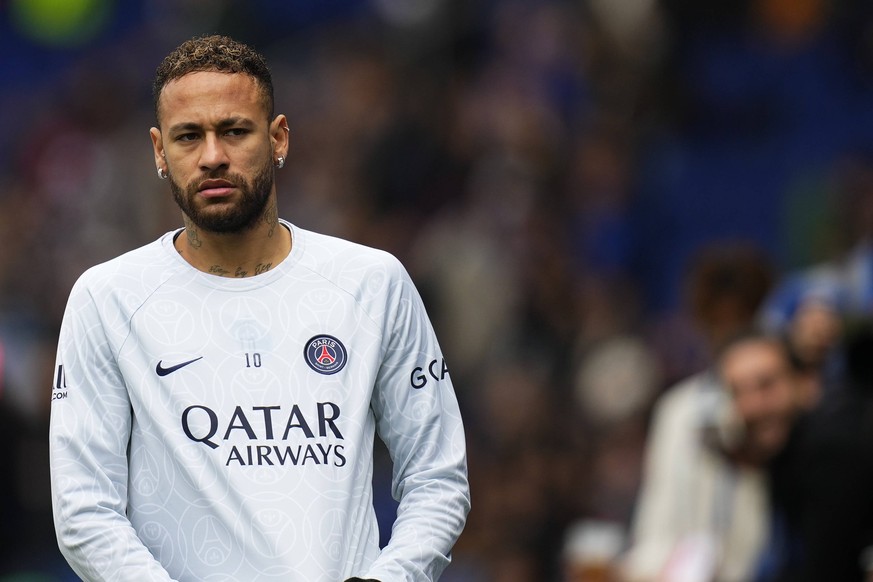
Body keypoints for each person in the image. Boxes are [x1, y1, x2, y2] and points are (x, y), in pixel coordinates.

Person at [48, 35, 470, 582]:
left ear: (278, 138)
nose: (212, 156)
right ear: (159, 152)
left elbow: (437, 478)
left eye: (234, 130)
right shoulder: (107, 299)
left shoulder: (371, 283)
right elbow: (84, 510)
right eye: (187, 136)